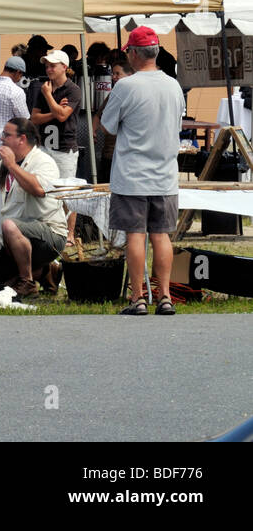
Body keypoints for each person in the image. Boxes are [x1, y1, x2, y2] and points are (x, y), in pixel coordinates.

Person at [102, 26, 186, 316]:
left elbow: (108, 126)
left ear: (135, 53)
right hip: (165, 173)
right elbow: (176, 126)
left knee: (135, 235)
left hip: (132, 174)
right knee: (161, 236)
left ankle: (138, 298)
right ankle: (165, 297)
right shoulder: (173, 85)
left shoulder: (126, 86)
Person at [0, 118, 67, 299]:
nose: (2, 139)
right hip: (8, 243)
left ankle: (27, 282)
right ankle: (44, 272)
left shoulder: (44, 162)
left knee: (10, 225)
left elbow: (39, 190)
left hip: (48, 236)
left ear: (22, 139)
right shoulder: (1, 166)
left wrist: (12, 165)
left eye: (7, 135)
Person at [30, 49, 82, 178]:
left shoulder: (73, 90)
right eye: (47, 67)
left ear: (64, 67)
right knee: (43, 186)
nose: (48, 70)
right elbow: (34, 118)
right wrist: (55, 110)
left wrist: (48, 95)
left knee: (64, 190)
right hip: (44, 147)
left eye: (53, 66)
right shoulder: (45, 87)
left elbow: (62, 116)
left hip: (64, 150)